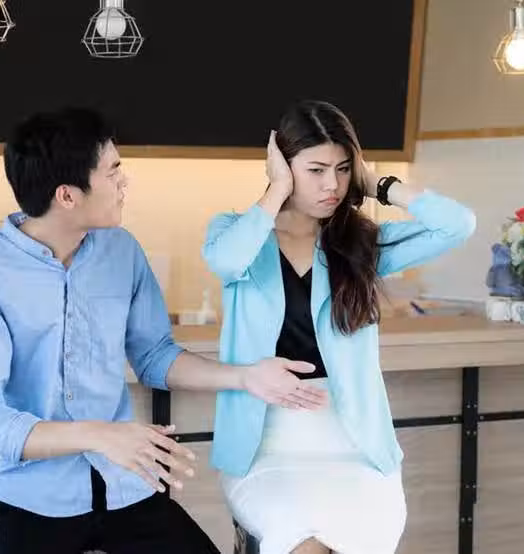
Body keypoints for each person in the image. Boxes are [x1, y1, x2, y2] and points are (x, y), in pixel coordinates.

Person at [0, 107, 328, 554]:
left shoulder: (122, 250)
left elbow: (154, 356)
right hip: (35, 502)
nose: (124, 182)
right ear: (68, 196)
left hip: (127, 488)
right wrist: (99, 434)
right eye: (113, 172)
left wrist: (244, 377)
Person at [202, 100, 476, 554]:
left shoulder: (362, 245)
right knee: (305, 545)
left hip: (355, 447)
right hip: (265, 449)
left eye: (343, 169)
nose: (332, 184)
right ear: (284, 166)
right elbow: (225, 260)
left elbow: (458, 225)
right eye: (316, 170)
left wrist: (380, 186)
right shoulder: (239, 234)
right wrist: (276, 191)